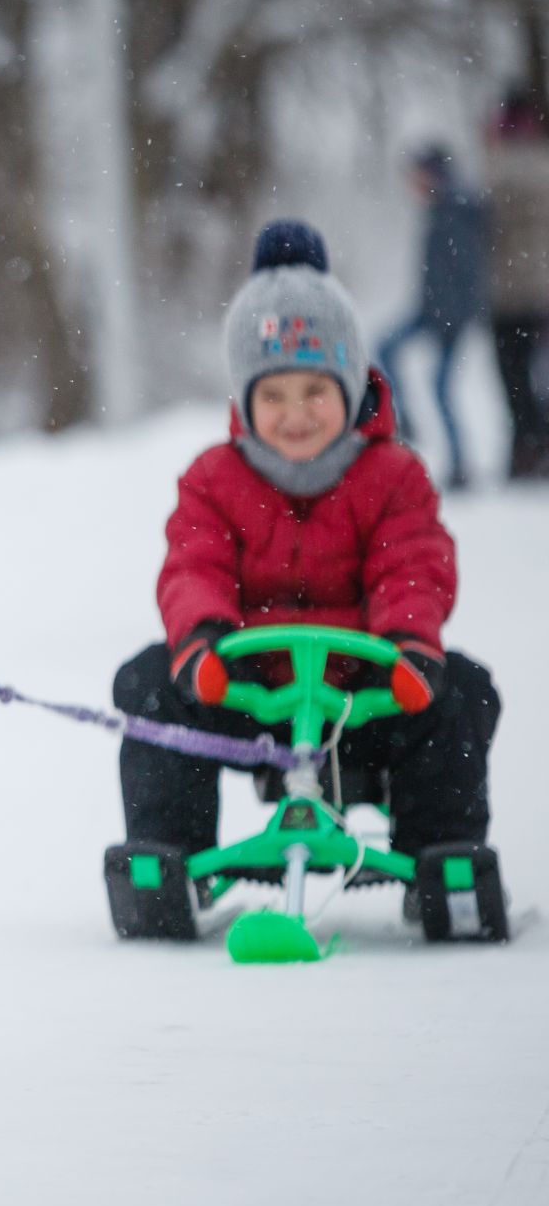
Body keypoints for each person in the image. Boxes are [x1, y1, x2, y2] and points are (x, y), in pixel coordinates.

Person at [114, 221, 500, 893]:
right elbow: (193, 567)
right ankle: (170, 861)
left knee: (462, 692)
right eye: (273, 395)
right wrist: (203, 645)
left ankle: (442, 861)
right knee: (148, 683)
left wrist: (409, 648)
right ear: (245, 400)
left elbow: (411, 566)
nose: (296, 414)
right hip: (252, 695)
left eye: (314, 392)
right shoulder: (213, 479)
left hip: (362, 698)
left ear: (350, 387)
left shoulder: (393, 476)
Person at [377, 146, 489, 490]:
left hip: (446, 316)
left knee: (439, 388)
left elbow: (466, 273)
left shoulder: (454, 210)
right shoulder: (443, 207)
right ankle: (404, 419)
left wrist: (450, 319)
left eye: (416, 173)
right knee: (386, 350)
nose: (412, 183)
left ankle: (459, 463)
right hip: (431, 311)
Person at [486, 88, 549, 480]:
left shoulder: (498, 171)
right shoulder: (544, 166)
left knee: (512, 378)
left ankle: (526, 449)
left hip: (509, 294)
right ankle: (537, 444)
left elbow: (484, 232)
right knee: (535, 375)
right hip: (542, 292)